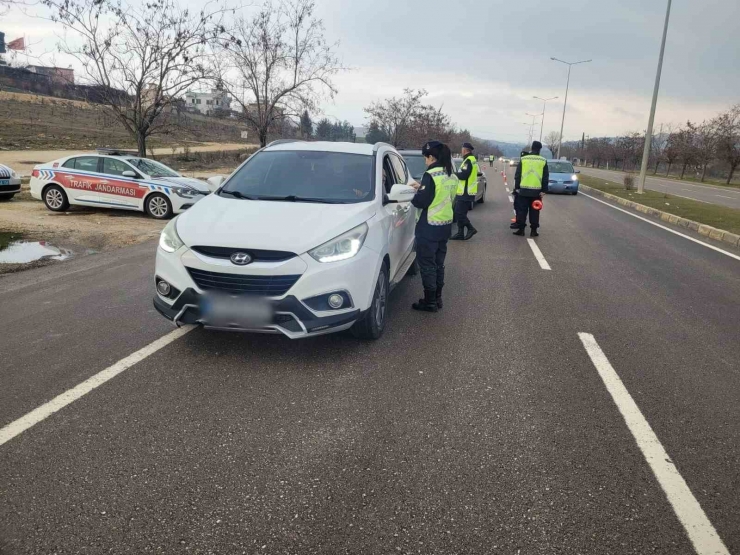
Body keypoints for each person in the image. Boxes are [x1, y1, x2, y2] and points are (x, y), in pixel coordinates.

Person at [410, 140, 458, 312]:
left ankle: (429, 301)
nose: (425, 161)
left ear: (431, 156)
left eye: (425, 158)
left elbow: (421, 202)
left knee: (427, 264)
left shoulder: (430, 175)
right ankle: (437, 298)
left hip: (429, 227)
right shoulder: (451, 175)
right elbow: (447, 198)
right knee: (439, 263)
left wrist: (415, 193)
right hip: (444, 226)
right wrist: (421, 188)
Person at [513, 141, 549, 237]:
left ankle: (521, 230)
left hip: (523, 191)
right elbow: (545, 177)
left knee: (522, 210)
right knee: (535, 211)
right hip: (536, 192)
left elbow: (518, 174)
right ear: (539, 149)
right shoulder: (543, 160)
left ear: (531, 148)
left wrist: (517, 187)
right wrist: (544, 190)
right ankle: (534, 231)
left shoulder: (524, 159)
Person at [451, 142, 479, 241]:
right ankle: (460, 233)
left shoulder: (468, 161)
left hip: (465, 192)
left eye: (462, 149)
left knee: (459, 213)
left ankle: (470, 229)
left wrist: (454, 174)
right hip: (466, 191)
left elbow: (464, 175)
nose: (461, 151)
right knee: (461, 213)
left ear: (465, 150)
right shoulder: (470, 160)